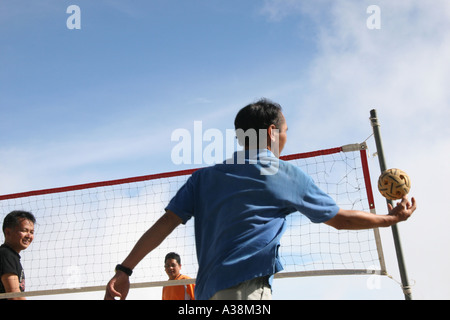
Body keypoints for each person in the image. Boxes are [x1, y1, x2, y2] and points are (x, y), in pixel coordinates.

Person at [105, 98, 417, 300]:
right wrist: (393, 218)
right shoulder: (283, 174)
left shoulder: (204, 177)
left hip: (205, 294)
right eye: (284, 131)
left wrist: (125, 270)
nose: (285, 138)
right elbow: (342, 220)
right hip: (246, 293)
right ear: (271, 132)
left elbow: (165, 224)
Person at [1, 210, 36, 300]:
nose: (29, 235)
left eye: (31, 232)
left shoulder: (11, 256)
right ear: (8, 232)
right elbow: (14, 296)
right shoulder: (6, 254)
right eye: (24, 231)